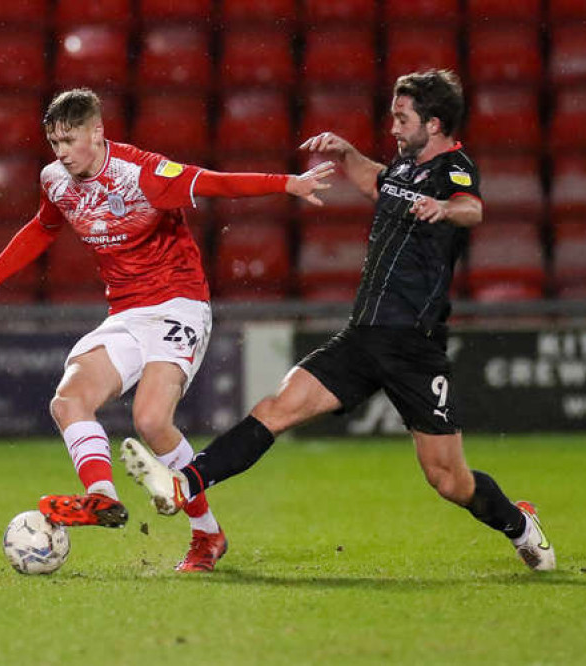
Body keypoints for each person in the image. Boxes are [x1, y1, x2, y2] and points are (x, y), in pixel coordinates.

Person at [122, 69, 556, 572]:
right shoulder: (403, 167)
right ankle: (185, 483)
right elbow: (379, 181)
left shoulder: (454, 168)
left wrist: (443, 208)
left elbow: (470, 209)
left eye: (402, 117)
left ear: (435, 123)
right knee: (278, 406)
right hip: (362, 336)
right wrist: (347, 153)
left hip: (414, 348)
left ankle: (519, 525)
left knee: (448, 480)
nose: (393, 126)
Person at [0, 88, 333, 572]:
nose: (61, 152)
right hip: (126, 313)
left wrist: (287, 184)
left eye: (69, 140)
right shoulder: (55, 180)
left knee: (151, 420)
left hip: (179, 304)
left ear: (97, 132)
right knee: (69, 400)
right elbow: (43, 227)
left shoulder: (143, 174)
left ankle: (206, 535)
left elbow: (216, 184)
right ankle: (100, 497)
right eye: (53, 143)